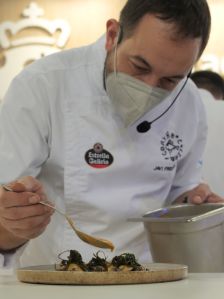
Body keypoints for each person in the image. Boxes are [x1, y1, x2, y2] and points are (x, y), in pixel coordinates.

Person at [0, 0, 223, 269]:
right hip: (58, 278)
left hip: (149, 275)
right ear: (112, 35)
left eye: (169, 80)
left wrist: (191, 202)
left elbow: (180, 190)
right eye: (139, 66)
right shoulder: (44, 85)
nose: (149, 88)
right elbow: (6, 204)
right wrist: (15, 218)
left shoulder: (188, 102)